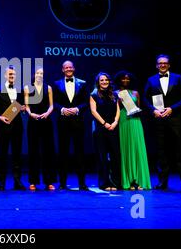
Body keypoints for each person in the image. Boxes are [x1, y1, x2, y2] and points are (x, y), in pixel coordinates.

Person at [143, 54, 181, 192]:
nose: (163, 65)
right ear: (156, 65)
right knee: (161, 152)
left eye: (165, 63)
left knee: (180, 152)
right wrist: (153, 110)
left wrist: (172, 109)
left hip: (176, 119)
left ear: (169, 65)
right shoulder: (151, 80)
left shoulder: (178, 78)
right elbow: (145, 99)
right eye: (160, 63)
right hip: (159, 119)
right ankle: (162, 183)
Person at [53, 60, 89, 191]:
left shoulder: (83, 83)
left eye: (70, 67)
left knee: (80, 153)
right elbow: (54, 103)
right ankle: (62, 183)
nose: (68, 69)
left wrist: (77, 109)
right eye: (66, 67)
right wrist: (62, 109)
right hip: (63, 122)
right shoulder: (56, 84)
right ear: (62, 70)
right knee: (63, 153)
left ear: (74, 68)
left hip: (78, 122)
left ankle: (82, 184)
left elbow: (86, 102)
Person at [114, 71, 151, 191]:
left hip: (135, 122)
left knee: (137, 149)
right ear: (119, 80)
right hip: (123, 121)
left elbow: (139, 108)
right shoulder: (116, 93)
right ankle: (128, 181)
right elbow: (116, 109)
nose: (125, 81)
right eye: (123, 79)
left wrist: (138, 110)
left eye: (128, 79)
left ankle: (139, 180)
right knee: (126, 149)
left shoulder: (136, 93)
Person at [0, 66, 26, 191]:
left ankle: (17, 181)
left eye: (14, 74)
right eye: (10, 74)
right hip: (3, 126)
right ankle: (2, 182)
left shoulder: (20, 90)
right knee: (3, 155)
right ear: (5, 76)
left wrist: (23, 110)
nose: (12, 76)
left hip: (17, 126)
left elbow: (22, 107)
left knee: (17, 155)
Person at [24, 67, 57, 191]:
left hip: (46, 122)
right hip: (33, 122)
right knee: (33, 152)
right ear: (34, 75)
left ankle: (49, 181)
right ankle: (33, 181)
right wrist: (30, 114)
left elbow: (51, 105)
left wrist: (47, 113)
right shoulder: (28, 88)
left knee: (48, 151)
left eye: (41, 73)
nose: (39, 75)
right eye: (37, 73)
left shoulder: (48, 88)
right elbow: (26, 106)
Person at [89, 72, 121, 191]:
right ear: (98, 82)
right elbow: (93, 111)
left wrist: (115, 122)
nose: (104, 82)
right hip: (101, 129)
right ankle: (105, 183)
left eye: (106, 80)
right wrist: (104, 123)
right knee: (102, 157)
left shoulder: (114, 94)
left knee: (115, 156)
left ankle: (116, 182)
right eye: (102, 80)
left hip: (113, 127)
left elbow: (118, 110)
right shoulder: (94, 94)